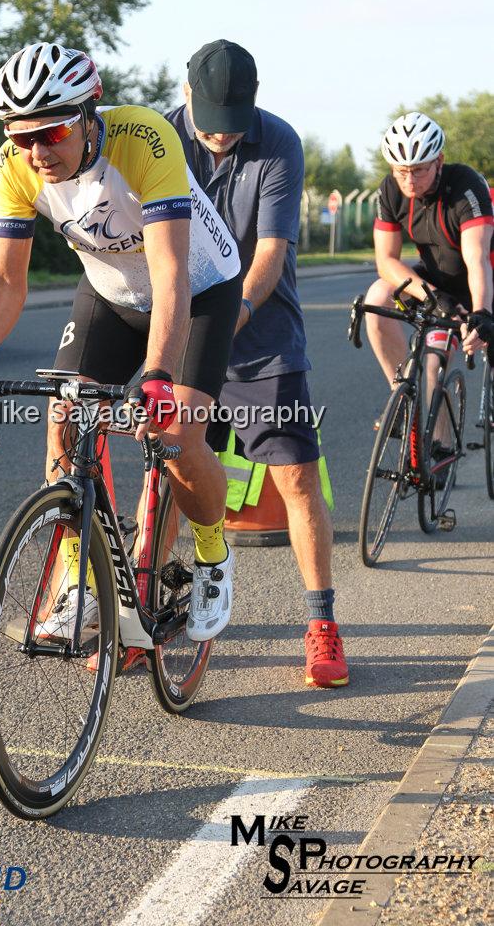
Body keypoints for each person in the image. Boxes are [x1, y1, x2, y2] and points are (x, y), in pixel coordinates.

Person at [0, 40, 243, 653]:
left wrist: (156, 374)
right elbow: (3, 280)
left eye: (50, 133)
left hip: (198, 289)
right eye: (20, 137)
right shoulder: (13, 166)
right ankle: (78, 576)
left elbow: (171, 272)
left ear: (88, 113)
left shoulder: (144, 139)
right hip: (108, 293)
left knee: (176, 434)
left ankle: (213, 554)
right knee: (64, 419)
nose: (36, 152)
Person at [166, 40, 349, 689]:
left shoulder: (278, 142)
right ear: (184, 93)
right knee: (167, 472)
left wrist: (233, 314)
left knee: (297, 480)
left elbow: (269, 252)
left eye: (233, 117)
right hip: (185, 329)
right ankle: (142, 612)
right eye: (209, 115)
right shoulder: (160, 138)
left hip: (261, 332)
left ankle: (321, 624)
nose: (220, 131)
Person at [365, 112, 494, 469]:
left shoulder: (465, 187)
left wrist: (481, 312)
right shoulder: (391, 190)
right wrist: (434, 298)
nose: (409, 179)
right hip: (435, 284)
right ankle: (401, 400)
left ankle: (440, 445)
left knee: (436, 364)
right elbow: (387, 261)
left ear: (438, 161)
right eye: (400, 170)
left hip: (475, 281)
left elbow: (477, 258)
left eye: (419, 169)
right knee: (377, 298)